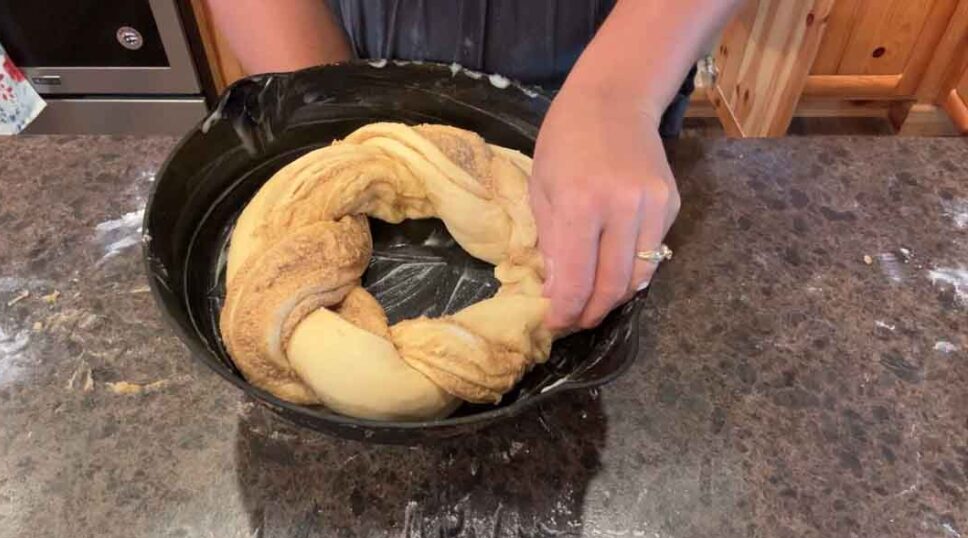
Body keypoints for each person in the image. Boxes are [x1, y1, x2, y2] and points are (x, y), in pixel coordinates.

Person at [209, 0, 740, 332]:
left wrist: (618, 91)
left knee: (585, 271)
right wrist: (326, 95)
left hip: (607, 80)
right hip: (353, 53)